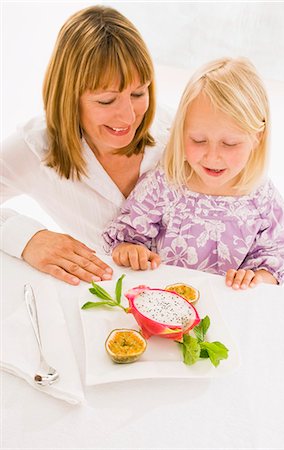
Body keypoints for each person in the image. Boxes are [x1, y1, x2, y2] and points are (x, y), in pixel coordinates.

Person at [0, 5, 171, 285]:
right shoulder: (37, 147)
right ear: (70, 97)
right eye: (106, 100)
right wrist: (28, 238)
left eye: (139, 93)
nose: (129, 116)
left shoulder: (177, 132)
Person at [103, 57, 284, 289]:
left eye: (230, 144)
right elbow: (128, 236)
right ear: (181, 132)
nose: (212, 156)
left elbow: (277, 254)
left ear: (258, 137)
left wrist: (258, 277)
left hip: (228, 310)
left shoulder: (261, 196)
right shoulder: (164, 184)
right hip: (165, 302)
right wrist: (130, 251)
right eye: (198, 140)